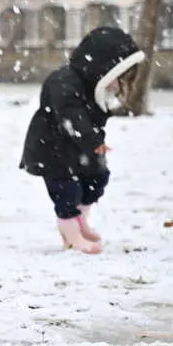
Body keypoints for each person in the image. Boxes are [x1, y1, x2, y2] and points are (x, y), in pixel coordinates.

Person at [20, 26, 144, 253]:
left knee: (97, 177)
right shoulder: (64, 81)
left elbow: (90, 117)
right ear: (102, 67)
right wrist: (92, 139)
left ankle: (79, 220)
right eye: (117, 78)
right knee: (66, 191)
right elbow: (71, 115)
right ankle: (71, 234)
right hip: (53, 148)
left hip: (78, 149)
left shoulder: (92, 85)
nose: (117, 86)